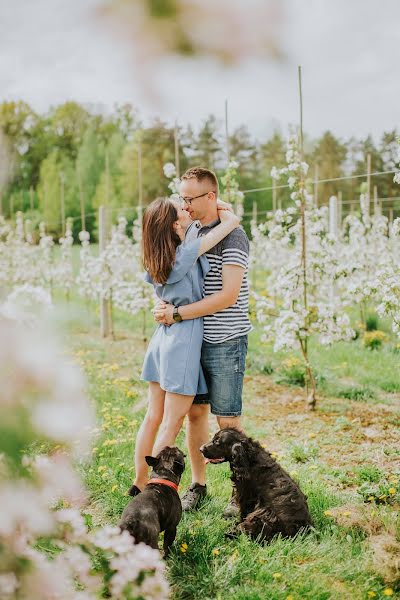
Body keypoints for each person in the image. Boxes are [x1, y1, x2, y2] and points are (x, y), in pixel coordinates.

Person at [153, 167, 252, 516]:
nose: (185, 205)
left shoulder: (233, 237)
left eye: (191, 198)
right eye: (182, 198)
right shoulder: (192, 228)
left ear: (210, 196)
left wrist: (178, 315)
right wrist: (166, 303)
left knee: (229, 423)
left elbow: (227, 297)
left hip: (225, 339)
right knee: (196, 415)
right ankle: (199, 484)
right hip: (193, 342)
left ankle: (240, 495)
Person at [128, 196, 240, 496]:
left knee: (153, 416)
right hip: (183, 340)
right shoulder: (187, 252)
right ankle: (157, 490)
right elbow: (229, 224)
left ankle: (139, 481)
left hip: (161, 339)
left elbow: (157, 286)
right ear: (175, 224)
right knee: (171, 421)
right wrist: (224, 212)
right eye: (181, 208)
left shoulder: (157, 256)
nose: (187, 208)